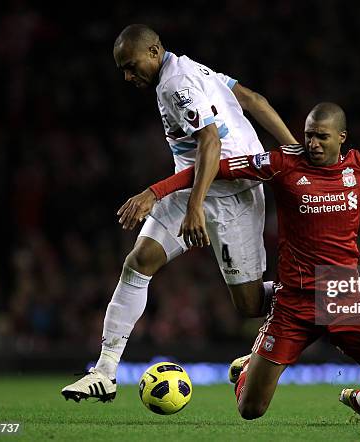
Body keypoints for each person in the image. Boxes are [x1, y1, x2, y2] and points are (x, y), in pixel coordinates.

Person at [125, 78, 360, 422]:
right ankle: (248, 371)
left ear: (342, 138)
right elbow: (213, 169)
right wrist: (155, 191)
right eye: (308, 134)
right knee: (250, 411)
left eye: (321, 136)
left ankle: (359, 401)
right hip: (292, 304)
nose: (311, 142)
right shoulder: (281, 163)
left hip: (344, 300)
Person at [61, 24, 297, 402]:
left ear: (154, 51)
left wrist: (194, 208)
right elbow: (254, 100)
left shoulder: (175, 83)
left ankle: (309, 297)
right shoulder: (194, 69)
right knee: (139, 262)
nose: (127, 75)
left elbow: (210, 142)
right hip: (197, 184)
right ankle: (104, 371)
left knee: (250, 304)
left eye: (131, 64)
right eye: (122, 68)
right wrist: (295, 151)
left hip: (233, 194)